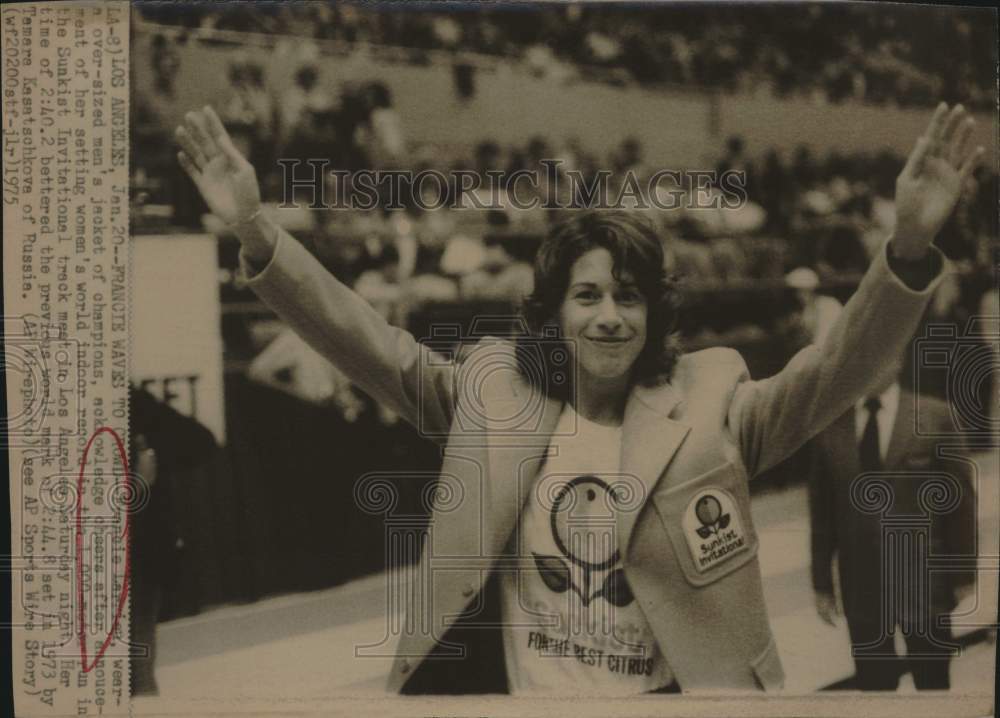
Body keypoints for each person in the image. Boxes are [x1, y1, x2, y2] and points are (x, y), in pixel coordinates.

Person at [174, 102, 982, 694]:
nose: (608, 316)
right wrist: (256, 233)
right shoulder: (493, 391)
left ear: (655, 312)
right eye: (587, 295)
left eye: (628, 297)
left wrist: (908, 248)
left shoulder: (713, 397)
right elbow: (363, 339)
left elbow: (835, 370)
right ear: (554, 311)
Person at [807, 358, 977, 690]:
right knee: (875, 688)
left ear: (897, 360)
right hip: (862, 586)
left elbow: (960, 503)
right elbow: (822, 514)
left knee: (933, 686)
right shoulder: (830, 426)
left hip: (924, 583)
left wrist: (963, 574)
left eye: (879, 353)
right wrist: (822, 584)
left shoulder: (935, 416)